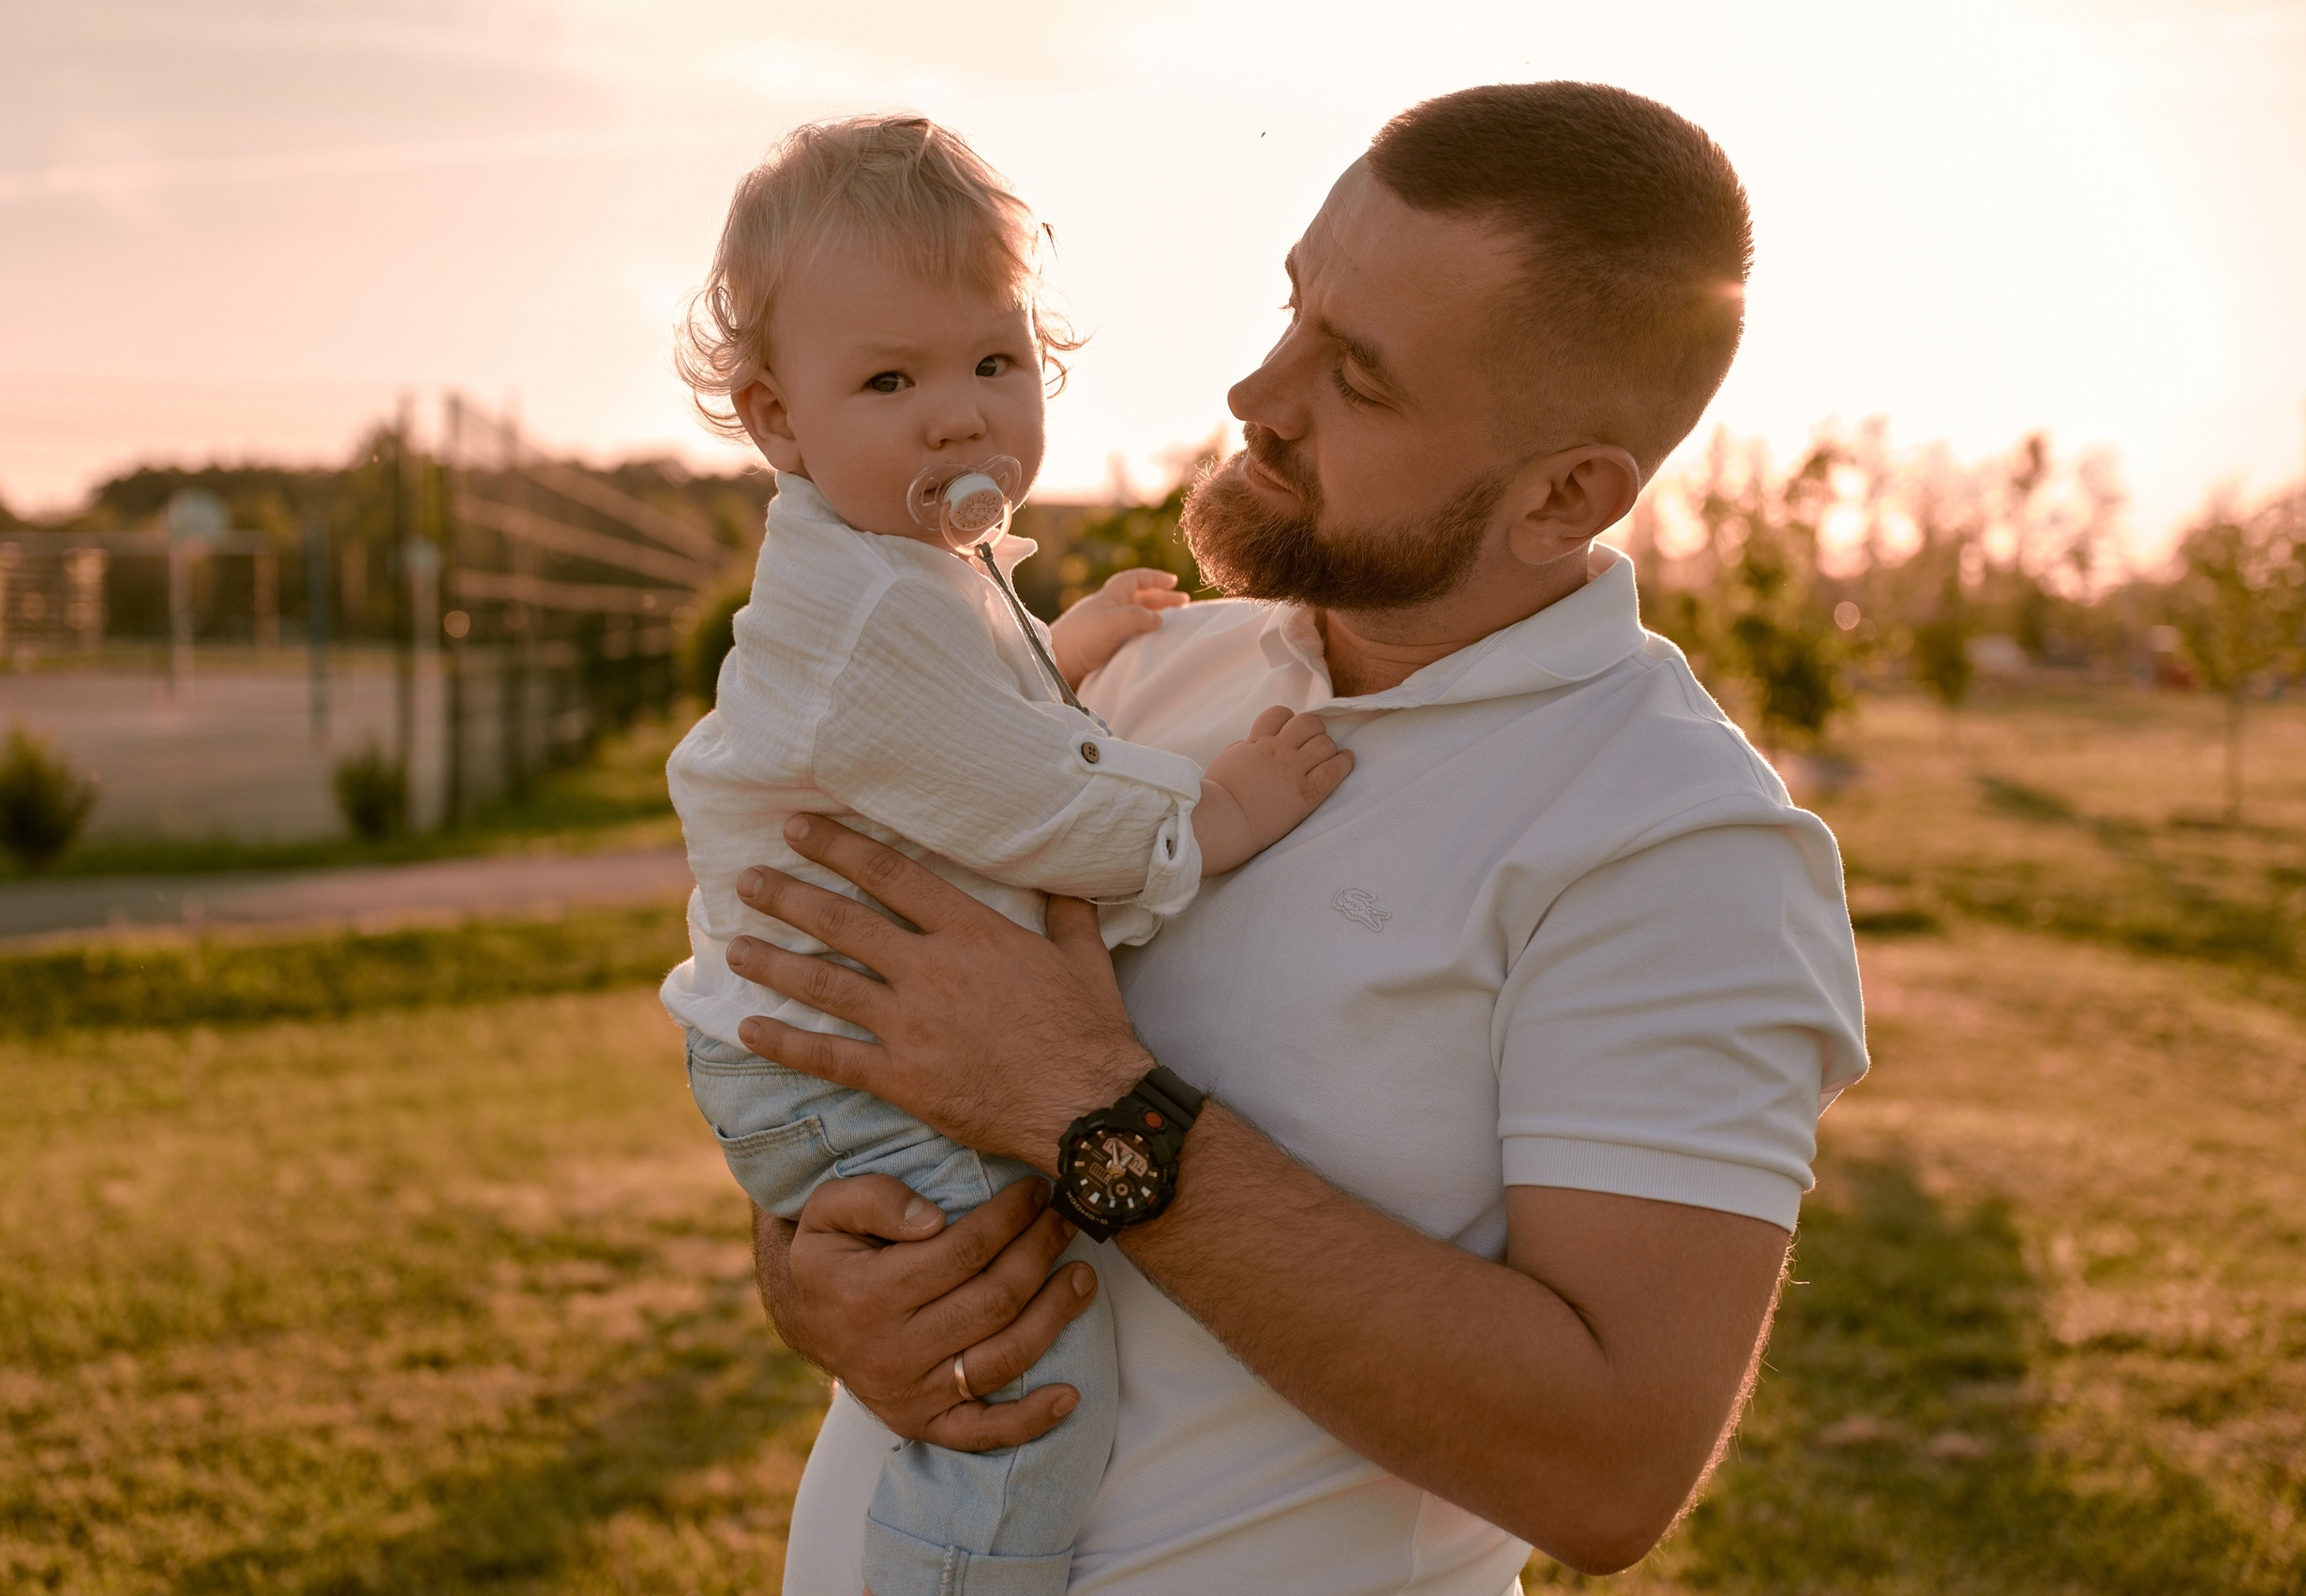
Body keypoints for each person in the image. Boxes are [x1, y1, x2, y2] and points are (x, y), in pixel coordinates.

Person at [722, 82, 1873, 1594]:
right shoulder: (1140, 676)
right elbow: (879, 1081)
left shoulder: (1680, 848)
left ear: (1566, 494)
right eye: (1292, 310)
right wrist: (809, 1275)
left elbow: (1611, 1468)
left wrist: (1082, 1102)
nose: (1255, 391)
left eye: (1360, 379)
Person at [658, 115, 1355, 1595]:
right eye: (890, 381)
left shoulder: (900, 567)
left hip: (824, 1039)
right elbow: (1033, 803)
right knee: (1029, 1377)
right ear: (779, 420)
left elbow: (971, 703)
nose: (958, 418)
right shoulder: (865, 618)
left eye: (994, 362)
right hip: (827, 1062)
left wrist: (1066, 644)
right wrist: (1214, 813)